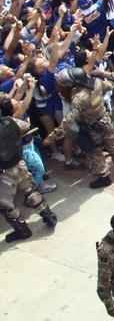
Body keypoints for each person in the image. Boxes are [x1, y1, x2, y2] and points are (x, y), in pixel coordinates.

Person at [54, 67, 114, 189]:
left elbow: (70, 119)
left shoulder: (78, 97)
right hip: (105, 120)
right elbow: (110, 85)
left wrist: (53, 135)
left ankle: (104, 177)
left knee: (95, 152)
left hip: (91, 128)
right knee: (113, 145)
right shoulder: (96, 82)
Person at [0, 92, 57, 242]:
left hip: (3, 173)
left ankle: (22, 231)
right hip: (19, 164)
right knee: (30, 191)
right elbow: (26, 127)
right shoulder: (10, 121)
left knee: (6, 206)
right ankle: (48, 216)